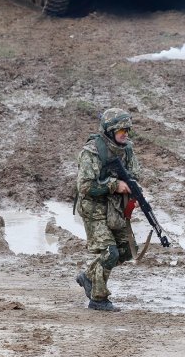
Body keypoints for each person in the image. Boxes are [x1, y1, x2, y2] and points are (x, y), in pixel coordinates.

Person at [74, 108, 142, 312]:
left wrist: (133, 194)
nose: (126, 134)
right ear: (110, 130)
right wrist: (114, 185)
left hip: (115, 207)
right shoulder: (92, 151)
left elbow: (135, 175)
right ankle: (98, 298)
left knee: (128, 250)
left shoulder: (127, 149)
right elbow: (84, 186)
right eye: (121, 130)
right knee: (110, 252)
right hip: (93, 208)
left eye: (127, 130)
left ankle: (88, 276)